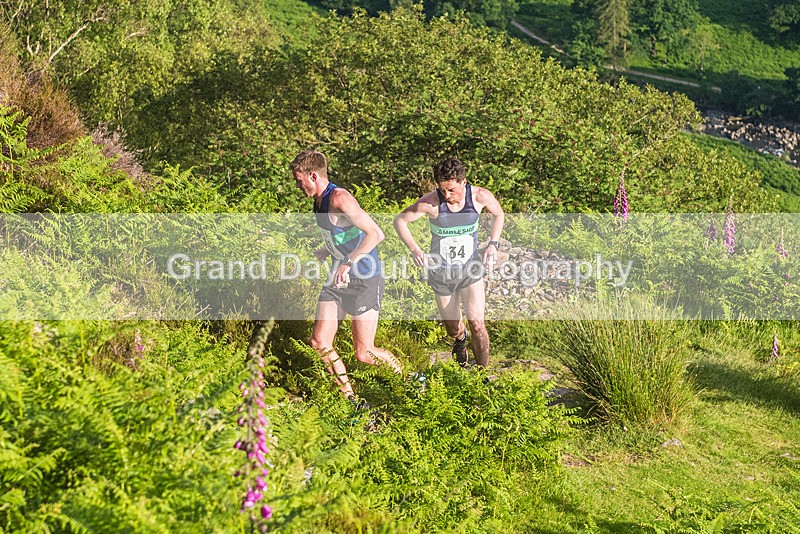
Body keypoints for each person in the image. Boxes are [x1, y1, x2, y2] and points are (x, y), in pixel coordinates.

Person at [290, 149, 402, 400]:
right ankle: (350, 401)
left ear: (313, 176)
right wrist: (326, 249)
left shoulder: (340, 198)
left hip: (363, 277)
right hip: (338, 278)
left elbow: (375, 233)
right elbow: (344, 233)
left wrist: (349, 261)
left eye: (299, 180)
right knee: (319, 343)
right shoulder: (317, 200)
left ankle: (409, 381)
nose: (297, 186)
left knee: (364, 353)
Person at [394, 157, 504, 367]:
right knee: (453, 328)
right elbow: (400, 220)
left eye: (451, 190)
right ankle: (460, 341)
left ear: (463, 182)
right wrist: (415, 249)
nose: (447, 195)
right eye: (442, 190)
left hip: (470, 269)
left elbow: (499, 214)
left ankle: (482, 375)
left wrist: (493, 244)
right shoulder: (431, 203)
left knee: (477, 324)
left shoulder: (479, 196)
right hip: (441, 273)